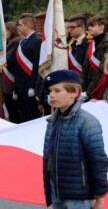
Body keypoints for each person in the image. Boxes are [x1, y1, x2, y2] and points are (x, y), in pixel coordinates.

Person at [42, 70, 107, 209]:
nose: (51, 95)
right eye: (50, 91)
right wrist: (49, 197)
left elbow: (98, 161)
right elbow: (48, 162)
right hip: (57, 195)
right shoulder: (52, 122)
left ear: (75, 92)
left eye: (57, 91)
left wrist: (100, 198)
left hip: (79, 199)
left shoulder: (87, 122)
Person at [10, 13, 41, 123]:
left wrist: (33, 86)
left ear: (27, 25)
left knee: (31, 116)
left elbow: (36, 65)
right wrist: (15, 88)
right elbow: (17, 67)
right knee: (23, 116)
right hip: (20, 86)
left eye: (19, 25)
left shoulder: (37, 40)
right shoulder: (23, 41)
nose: (17, 27)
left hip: (29, 86)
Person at [82, 16, 108, 100]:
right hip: (88, 89)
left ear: (101, 27)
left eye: (92, 26)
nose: (89, 28)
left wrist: (88, 93)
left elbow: (102, 70)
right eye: (88, 25)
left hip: (100, 91)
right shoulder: (92, 43)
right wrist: (82, 90)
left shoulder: (106, 44)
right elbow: (85, 68)